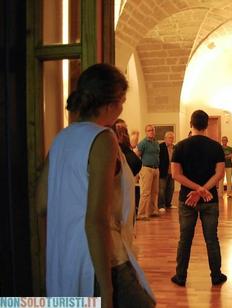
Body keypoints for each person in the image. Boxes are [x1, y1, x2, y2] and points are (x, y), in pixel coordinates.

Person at [35, 63, 155, 307]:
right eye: (122, 100)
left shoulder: (61, 138)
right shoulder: (103, 139)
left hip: (66, 257)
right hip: (103, 259)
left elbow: (41, 203)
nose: (122, 107)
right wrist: (107, 291)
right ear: (110, 103)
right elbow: (96, 219)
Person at [170, 110, 227, 286]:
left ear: (190, 124)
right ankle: (216, 276)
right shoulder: (216, 147)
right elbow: (220, 173)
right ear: (206, 125)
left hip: (187, 199)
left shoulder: (180, 146)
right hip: (210, 200)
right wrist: (203, 189)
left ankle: (181, 277)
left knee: (184, 238)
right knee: (212, 238)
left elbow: (176, 174)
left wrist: (196, 190)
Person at [137, 125, 160, 219]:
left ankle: (153, 211)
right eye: (149, 130)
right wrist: (138, 171)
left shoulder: (156, 143)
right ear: (146, 132)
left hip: (156, 169)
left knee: (155, 192)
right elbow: (137, 156)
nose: (151, 132)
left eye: (153, 130)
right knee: (146, 193)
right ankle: (141, 214)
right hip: (146, 169)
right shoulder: (143, 143)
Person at [158, 131, 176, 210]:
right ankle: (161, 205)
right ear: (165, 138)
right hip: (163, 171)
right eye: (169, 137)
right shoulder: (160, 146)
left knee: (170, 189)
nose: (171, 139)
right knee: (162, 189)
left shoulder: (175, 147)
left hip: (172, 172)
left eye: (172, 138)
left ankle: (168, 204)